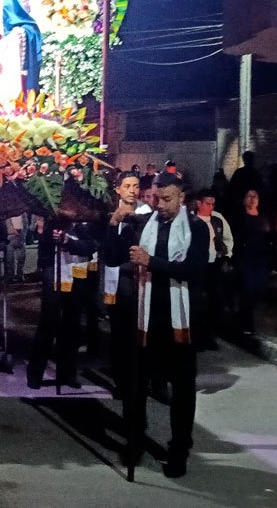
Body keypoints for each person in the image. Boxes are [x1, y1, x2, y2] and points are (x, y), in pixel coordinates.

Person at [104, 173, 208, 478]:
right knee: (136, 387)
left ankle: (179, 450)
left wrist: (151, 262)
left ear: (181, 199)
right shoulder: (142, 225)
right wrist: (113, 224)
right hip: (145, 320)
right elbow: (111, 257)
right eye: (155, 198)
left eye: (166, 199)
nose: (159, 204)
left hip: (180, 321)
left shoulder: (196, 229)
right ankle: (134, 440)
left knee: (182, 389)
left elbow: (195, 270)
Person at [27, 217, 99, 389]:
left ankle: (67, 372)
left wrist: (67, 241)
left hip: (78, 272)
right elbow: (43, 247)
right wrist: (49, 233)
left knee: (71, 324)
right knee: (48, 321)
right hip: (54, 270)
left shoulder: (86, 222)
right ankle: (35, 373)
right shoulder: (53, 218)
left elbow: (91, 245)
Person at [103, 171, 141, 397]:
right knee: (119, 334)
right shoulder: (110, 212)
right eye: (127, 186)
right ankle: (120, 380)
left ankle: (137, 377)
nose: (132, 190)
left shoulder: (146, 213)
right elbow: (108, 250)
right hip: (117, 279)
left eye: (135, 186)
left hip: (138, 279)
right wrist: (114, 221)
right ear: (118, 189)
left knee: (136, 334)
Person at [193, 189, 233, 350]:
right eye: (207, 203)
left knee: (214, 301)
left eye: (212, 204)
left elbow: (228, 239)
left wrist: (226, 256)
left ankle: (209, 336)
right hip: (198, 266)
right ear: (199, 203)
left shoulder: (218, 219)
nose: (210, 207)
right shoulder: (192, 219)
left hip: (214, 265)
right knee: (198, 302)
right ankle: (196, 336)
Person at [232, 189, 274, 335]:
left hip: (260, 258)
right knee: (248, 289)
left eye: (255, 196)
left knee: (259, 289)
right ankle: (247, 323)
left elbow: (268, 237)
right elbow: (236, 237)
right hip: (246, 258)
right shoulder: (241, 217)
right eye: (249, 196)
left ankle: (240, 315)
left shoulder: (262, 218)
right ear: (244, 199)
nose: (252, 199)